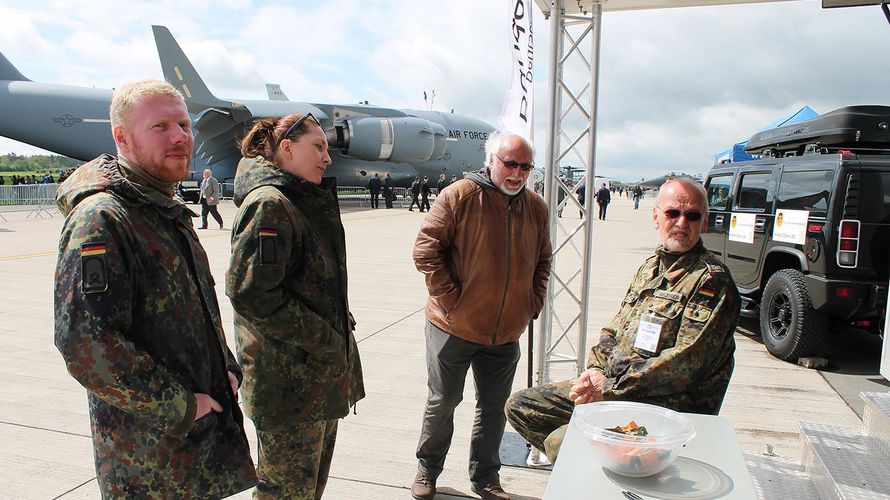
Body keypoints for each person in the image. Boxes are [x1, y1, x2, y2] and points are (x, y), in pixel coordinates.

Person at [53, 79, 256, 498]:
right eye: (161, 126)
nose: (181, 136)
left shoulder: (161, 209)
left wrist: (226, 369)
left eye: (183, 124)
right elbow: (87, 344)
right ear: (122, 137)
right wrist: (179, 405)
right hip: (150, 461)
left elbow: (190, 311)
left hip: (190, 449)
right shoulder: (105, 218)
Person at [505, 178, 741, 462]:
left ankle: (606, 468)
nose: (681, 223)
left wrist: (608, 390)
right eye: (672, 213)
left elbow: (685, 364)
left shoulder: (712, 281)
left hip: (667, 406)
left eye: (692, 216)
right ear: (656, 217)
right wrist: (593, 372)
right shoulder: (651, 268)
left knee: (562, 442)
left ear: (704, 222)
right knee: (522, 406)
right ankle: (604, 465)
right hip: (618, 388)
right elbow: (614, 330)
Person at [226, 112, 365, 499]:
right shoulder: (271, 205)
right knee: (285, 494)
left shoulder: (300, 200)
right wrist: (326, 338)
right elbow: (251, 292)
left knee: (306, 491)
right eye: (318, 146)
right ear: (286, 148)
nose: (327, 157)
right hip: (288, 387)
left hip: (315, 379)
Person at [411, 132, 552, 500]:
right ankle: (427, 470)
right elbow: (426, 251)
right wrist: (453, 301)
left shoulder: (536, 207)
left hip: (504, 334)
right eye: (510, 163)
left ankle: (486, 479)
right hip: (453, 328)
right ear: (491, 160)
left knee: (493, 409)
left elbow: (543, 261)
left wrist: (531, 303)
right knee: (442, 401)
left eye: (525, 166)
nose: (517, 173)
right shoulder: (459, 196)